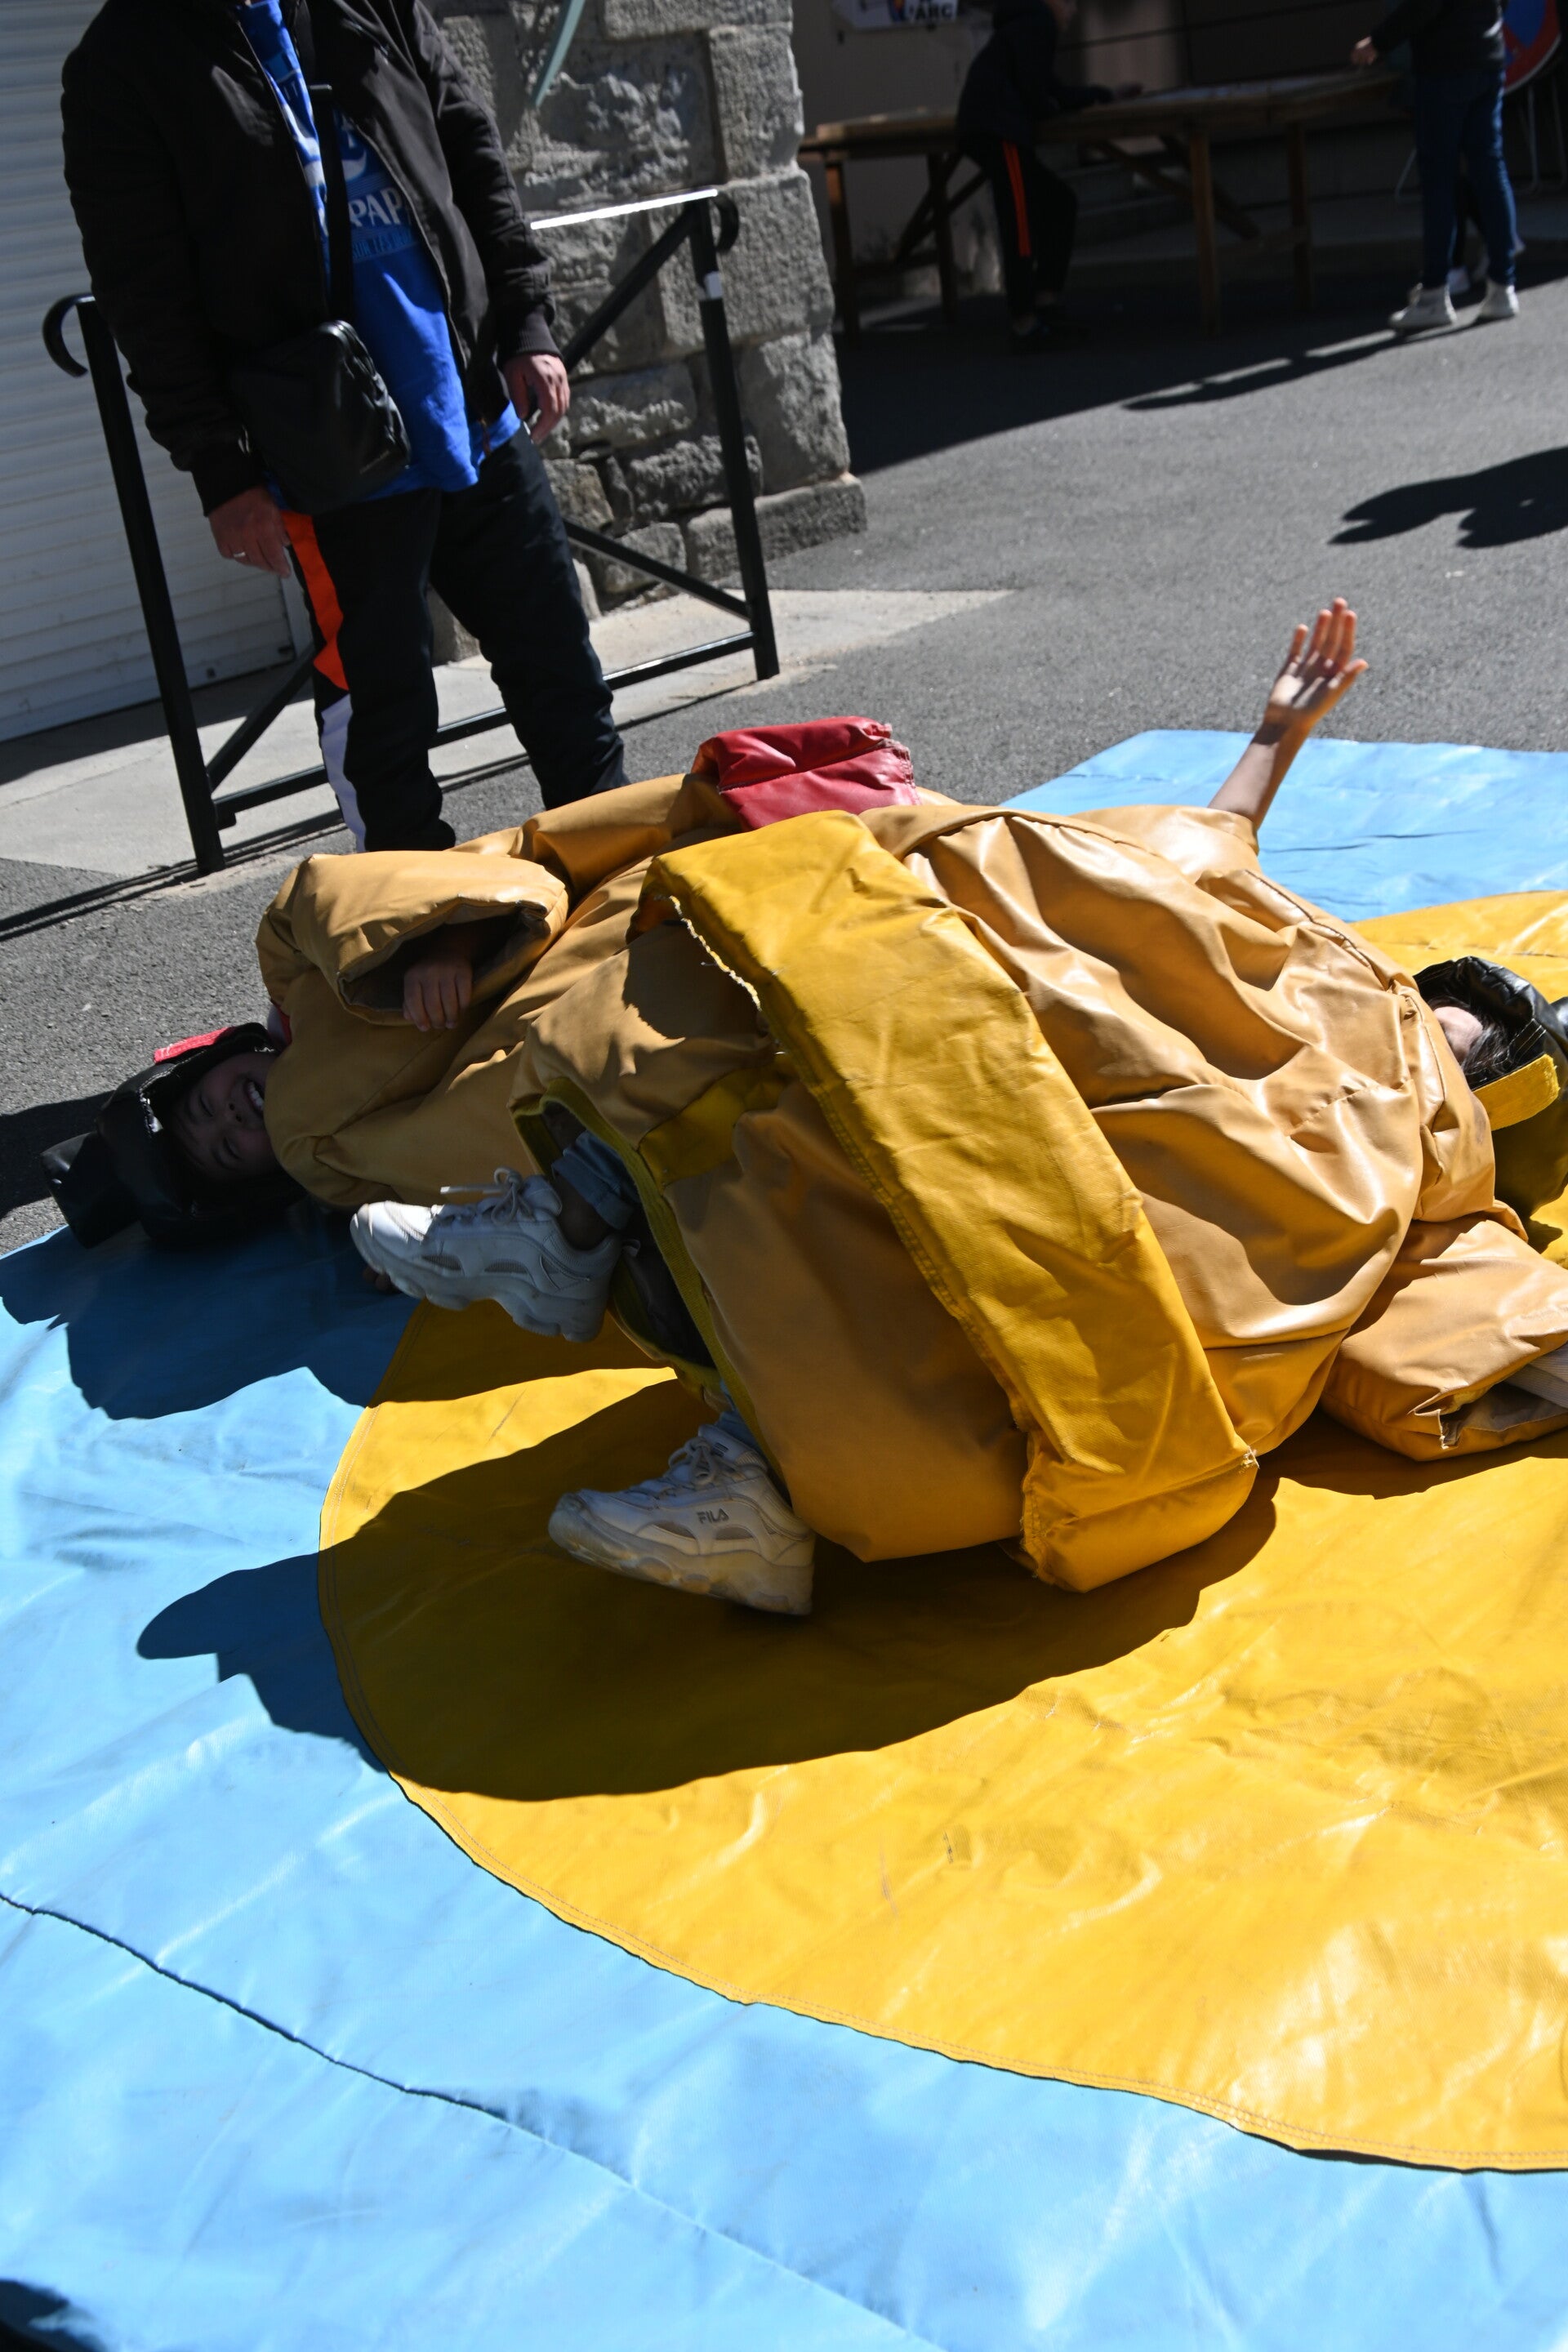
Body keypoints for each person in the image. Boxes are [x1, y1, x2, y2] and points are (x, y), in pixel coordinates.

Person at [61, 0, 626, 853]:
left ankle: (618, 876)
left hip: (467, 399)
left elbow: (471, 149)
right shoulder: (125, 59)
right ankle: (418, 919)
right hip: (326, 447)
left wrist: (526, 322)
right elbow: (146, 295)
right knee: (383, 719)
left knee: (562, 670)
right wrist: (222, 469)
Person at [956, 0, 1138, 352]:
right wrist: (1051, 108)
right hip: (999, 129)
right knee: (1019, 221)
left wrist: (1104, 95)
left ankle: (1046, 299)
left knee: (1059, 201)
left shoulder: (1026, 26)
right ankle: (1024, 321)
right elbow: (1036, 94)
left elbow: (1051, 89)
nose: (1074, 11)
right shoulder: (1039, 21)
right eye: (1069, 2)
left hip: (994, 126)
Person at [1352, 0, 1521, 337]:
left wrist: (1378, 42)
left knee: (1440, 180)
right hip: (1487, 56)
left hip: (1445, 66)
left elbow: (1424, 5)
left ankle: (1435, 293)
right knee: (1490, 167)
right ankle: (1503, 285)